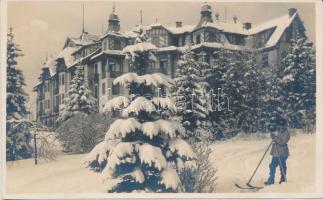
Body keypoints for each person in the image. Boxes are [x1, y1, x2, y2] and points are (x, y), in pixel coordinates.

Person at [264, 119, 290, 185]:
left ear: (284, 125)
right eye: (279, 126)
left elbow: (282, 142)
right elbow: (274, 136)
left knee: (282, 166)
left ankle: (283, 180)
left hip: (283, 153)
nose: (280, 127)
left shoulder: (287, 133)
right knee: (272, 166)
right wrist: (273, 136)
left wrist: (275, 138)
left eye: (282, 125)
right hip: (276, 152)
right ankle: (271, 180)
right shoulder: (278, 131)